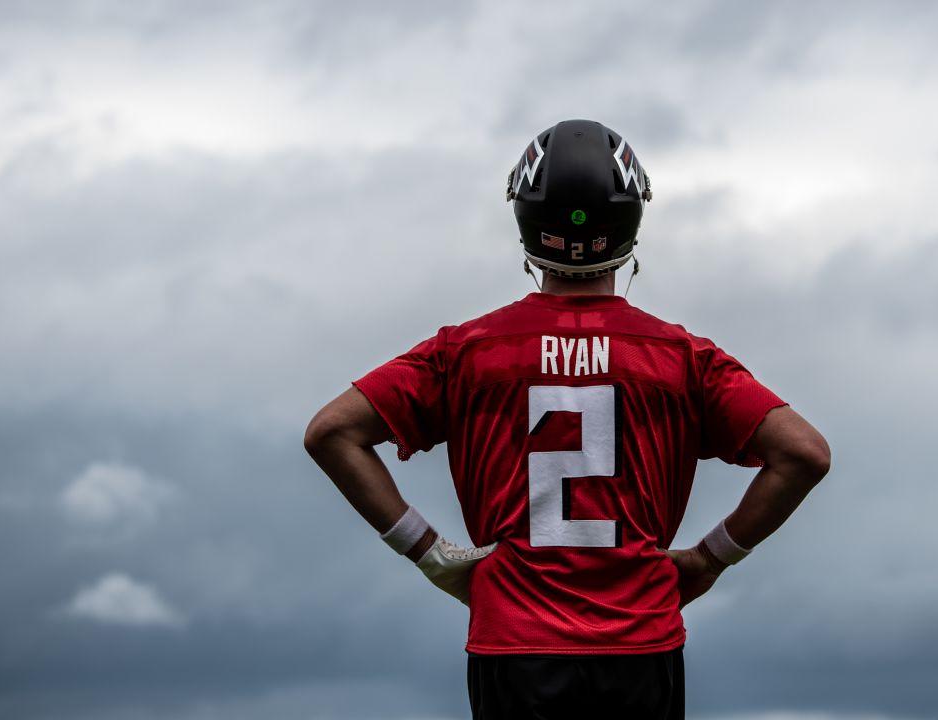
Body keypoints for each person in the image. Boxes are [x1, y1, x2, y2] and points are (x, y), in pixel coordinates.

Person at [304, 119, 830, 719]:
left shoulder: (468, 350)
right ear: (631, 220)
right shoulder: (680, 356)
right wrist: (711, 559)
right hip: (641, 639)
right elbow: (804, 453)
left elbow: (332, 432)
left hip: (513, 641)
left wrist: (429, 554)